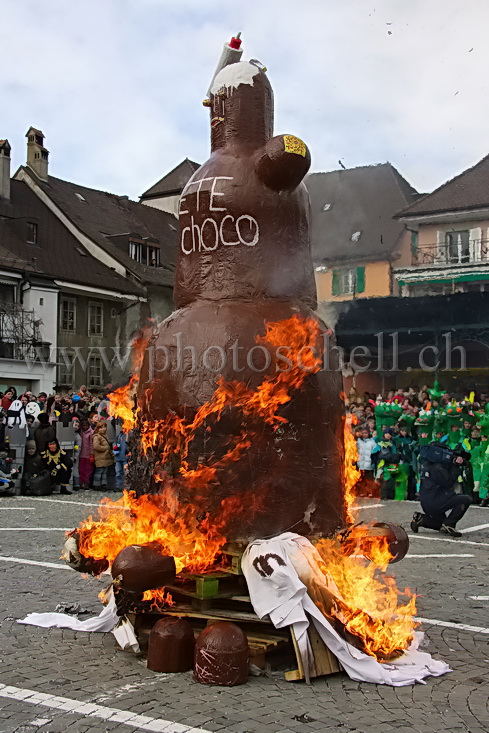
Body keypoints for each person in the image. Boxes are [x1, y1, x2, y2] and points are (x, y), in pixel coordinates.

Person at [411, 443, 471, 537]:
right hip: (435, 501)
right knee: (466, 499)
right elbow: (448, 483)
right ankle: (450, 524)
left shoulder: (427, 465)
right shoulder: (437, 467)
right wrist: (455, 466)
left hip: (427, 502)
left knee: (441, 524)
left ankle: (422, 519)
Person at [92, 421, 115, 491]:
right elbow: (96, 446)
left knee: (104, 472)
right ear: (97, 429)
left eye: (104, 427)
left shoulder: (105, 435)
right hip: (100, 457)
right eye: (101, 428)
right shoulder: (97, 436)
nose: (103, 429)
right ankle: (96, 484)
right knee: (99, 472)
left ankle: (103, 484)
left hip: (105, 457)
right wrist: (105, 449)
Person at [79, 418, 94, 489]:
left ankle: (86, 483)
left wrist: (91, 454)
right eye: (83, 426)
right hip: (81, 454)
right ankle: (81, 482)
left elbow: (91, 444)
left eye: (86, 426)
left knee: (87, 471)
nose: (85, 427)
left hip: (88, 455)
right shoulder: (80, 432)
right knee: (81, 469)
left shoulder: (91, 433)